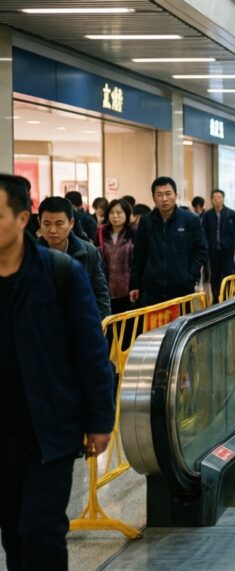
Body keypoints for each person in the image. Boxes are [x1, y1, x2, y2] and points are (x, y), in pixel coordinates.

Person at [0, 174, 114, 570]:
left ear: (20, 219)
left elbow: (90, 351)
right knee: (12, 531)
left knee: (41, 529)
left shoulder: (60, 272)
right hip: (3, 430)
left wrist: (100, 420)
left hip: (50, 429)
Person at [130, 176, 207, 306]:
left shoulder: (190, 220)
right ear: (153, 197)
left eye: (168, 193)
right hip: (152, 289)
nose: (164, 199)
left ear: (176, 195)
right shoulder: (146, 221)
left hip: (181, 288)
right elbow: (139, 254)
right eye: (159, 194)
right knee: (154, 326)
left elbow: (201, 249)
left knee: (181, 325)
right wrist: (134, 284)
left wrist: (191, 277)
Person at [38, 197, 111, 319]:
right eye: (47, 224)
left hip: (80, 324)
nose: (53, 230)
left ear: (71, 223)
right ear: (39, 222)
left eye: (59, 223)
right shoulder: (28, 254)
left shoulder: (88, 252)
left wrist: (98, 325)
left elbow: (100, 295)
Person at [98, 199, 135, 315]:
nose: (115, 216)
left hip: (127, 290)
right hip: (105, 289)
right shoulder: (101, 233)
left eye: (119, 213)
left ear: (127, 214)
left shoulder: (134, 234)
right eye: (112, 213)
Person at [201, 189, 235, 300]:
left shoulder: (231, 213)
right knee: (215, 275)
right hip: (213, 249)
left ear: (223, 198)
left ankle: (228, 297)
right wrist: (208, 245)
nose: (217, 199)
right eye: (215, 197)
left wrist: (229, 243)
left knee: (227, 273)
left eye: (219, 197)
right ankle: (216, 298)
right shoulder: (208, 215)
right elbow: (204, 231)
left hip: (227, 249)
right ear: (212, 200)